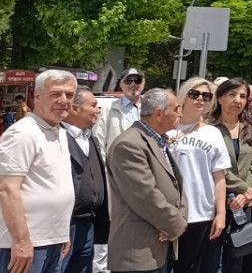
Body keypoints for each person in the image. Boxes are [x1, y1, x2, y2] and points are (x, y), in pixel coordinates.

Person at [0, 70, 77, 273]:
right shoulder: (23, 134)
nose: (64, 101)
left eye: (69, 95)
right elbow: (7, 190)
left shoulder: (60, 133)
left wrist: (60, 234)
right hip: (21, 248)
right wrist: (21, 241)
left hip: (51, 243)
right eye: (56, 94)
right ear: (37, 96)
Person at [107, 88, 188, 273]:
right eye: (177, 109)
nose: (180, 114)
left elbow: (176, 186)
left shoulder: (157, 140)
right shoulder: (129, 144)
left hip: (160, 245)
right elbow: (145, 195)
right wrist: (177, 224)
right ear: (159, 113)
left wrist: (178, 220)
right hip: (138, 251)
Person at [169, 78, 230, 273]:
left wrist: (220, 214)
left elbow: (219, 177)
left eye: (206, 96)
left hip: (201, 214)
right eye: (194, 94)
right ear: (183, 96)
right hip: (169, 213)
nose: (200, 99)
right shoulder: (166, 129)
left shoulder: (213, 133)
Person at [210, 78, 252, 273]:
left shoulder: (251, 128)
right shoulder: (209, 128)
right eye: (232, 95)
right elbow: (215, 167)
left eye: (242, 96)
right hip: (217, 199)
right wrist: (244, 188)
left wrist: (247, 193)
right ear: (220, 98)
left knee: (237, 257)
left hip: (243, 203)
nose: (238, 100)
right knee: (212, 256)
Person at [63, 88, 108, 273]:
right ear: (75, 109)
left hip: (88, 223)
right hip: (66, 225)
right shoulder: (59, 138)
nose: (98, 110)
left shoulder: (91, 139)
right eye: (93, 105)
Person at [100, 68, 144, 148]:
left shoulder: (152, 107)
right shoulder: (108, 108)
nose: (133, 84)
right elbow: (99, 140)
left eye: (137, 80)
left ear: (143, 83)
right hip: (118, 159)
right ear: (121, 84)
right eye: (128, 80)